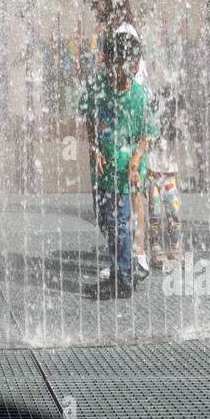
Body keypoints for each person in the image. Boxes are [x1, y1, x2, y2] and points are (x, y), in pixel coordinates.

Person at [79, 31, 156, 300]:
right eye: (116, 66)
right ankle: (120, 271)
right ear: (108, 63)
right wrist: (94, 148)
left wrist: (135, 162)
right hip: (102, 171)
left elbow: (146, 134)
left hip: (125, 172)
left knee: (118, 223)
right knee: (104, 221)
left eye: (127, 67)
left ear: (134, 66)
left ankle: (123, 278)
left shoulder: (137, 96)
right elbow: (89, 118)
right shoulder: (97, 89)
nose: (121, 73)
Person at [145, 84, 184, 273]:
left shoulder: (176, 127)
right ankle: (156, 249)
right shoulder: (151, 124)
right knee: (155, 214)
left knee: (174, 213)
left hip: (169, 177)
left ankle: (175, 248)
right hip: (153, 175)